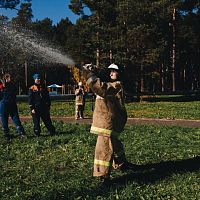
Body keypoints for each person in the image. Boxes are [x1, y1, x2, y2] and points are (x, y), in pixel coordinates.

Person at [83, 63, 139, 188]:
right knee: (115, 143)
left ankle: (104, 176)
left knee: (103, 149)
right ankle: (122, 163)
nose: (111, 73)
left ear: (120, 73)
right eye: (110, 71)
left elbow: (100, 88)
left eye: (114, 71)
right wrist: (93, 70)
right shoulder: (108, 82)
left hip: (107, 123)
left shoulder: (116, 85)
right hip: (108, 121)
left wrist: (88, 73)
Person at [0, 73, 26, 141]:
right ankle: (7, 134)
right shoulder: (6, 86)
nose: (10, 79)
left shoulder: (9, 85)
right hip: (5, 104)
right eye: (8, 78)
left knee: (14, 118)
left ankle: (21, 133)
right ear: (5, 78)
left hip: (9, 104)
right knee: (5, 119)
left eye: (10, 78)